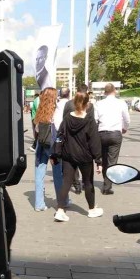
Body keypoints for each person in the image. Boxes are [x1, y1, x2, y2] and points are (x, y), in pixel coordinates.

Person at [53, 91, 103, 222]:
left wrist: (55, 154)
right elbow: (94, 142)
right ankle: (92, 209)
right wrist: (99, 161)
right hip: (85, 157)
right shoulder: (89, 120)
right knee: (88, 182)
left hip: (68, 155)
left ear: (74, 102)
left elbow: (60, 136)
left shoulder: (68, 118)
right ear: (87, 104)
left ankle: (60, 210)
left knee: (66, 182)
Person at [94, 83, 130, 195]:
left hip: (102, 133)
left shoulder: (98, 103)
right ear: (114, 91)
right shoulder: (121, 103)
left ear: (104, 92)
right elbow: (127, 119)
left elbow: (95, 119)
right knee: (112, 160)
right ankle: (107, 186)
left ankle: (106, 179)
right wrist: (124, 128)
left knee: (104, 159)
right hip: (115, 133)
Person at [63, 84, 95, 195]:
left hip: (71, 138)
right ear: (86, 91)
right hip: (85, 140)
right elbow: (92, 123)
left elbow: (64, 121)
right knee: (87, 164)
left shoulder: (68, 104)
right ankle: (87, 185)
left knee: (73, 163)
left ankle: (76, 185)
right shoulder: (90, 106)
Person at [33, 88, 61, 212]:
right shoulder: (56, 111)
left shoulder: (40, 112)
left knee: (39, 173)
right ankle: (62, 201)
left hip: (41, 144)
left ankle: (39, 204)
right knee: (58, 173)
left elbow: (36, 131)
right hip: (52, 146)